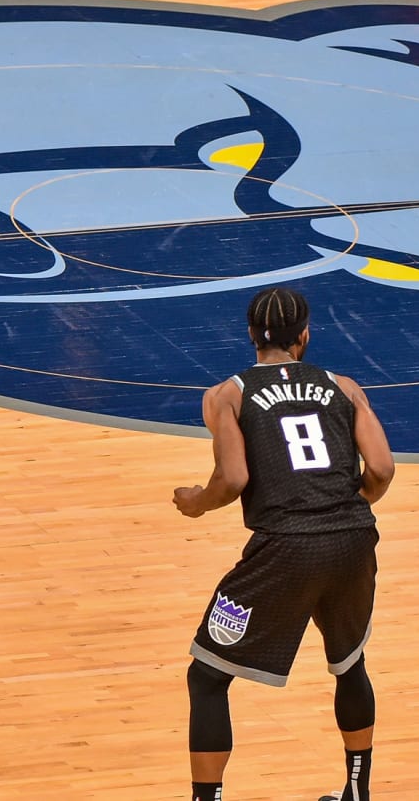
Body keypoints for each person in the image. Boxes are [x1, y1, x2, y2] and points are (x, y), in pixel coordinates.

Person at [172, 286, 395, 801]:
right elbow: (381, 469)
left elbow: (231, 478)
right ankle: (357, 793)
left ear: (251, 337)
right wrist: (343, 507)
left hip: (285, 548)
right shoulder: (345, 387)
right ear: (305, 337)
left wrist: (195, 502)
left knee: (207, 675)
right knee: (349, 663)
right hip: (353, 539)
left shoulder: (226, 395)